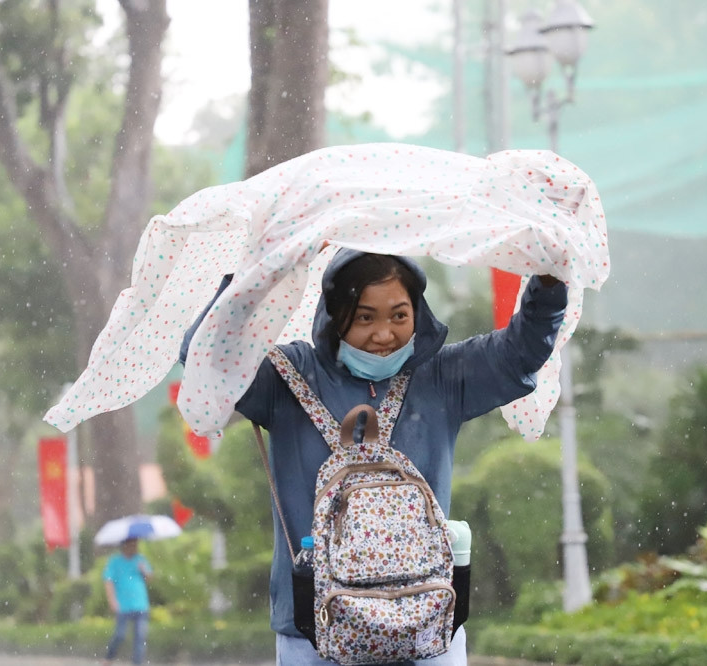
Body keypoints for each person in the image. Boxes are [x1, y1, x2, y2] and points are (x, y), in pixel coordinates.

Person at [220, 249, 567, 665]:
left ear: (417, 313)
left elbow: (522, 352)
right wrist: (239, 281)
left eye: (399, 316)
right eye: (365, 317)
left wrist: (548, 282)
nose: (384, 334)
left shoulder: (440, 376)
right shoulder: (287, 376)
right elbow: (211, 361)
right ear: (335, 313)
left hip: (427, 628)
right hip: (314, 636)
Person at [102, 537, 153, 665]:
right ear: (124, 546)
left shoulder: (140, 560)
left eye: (136, 545)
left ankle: (137, 663)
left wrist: (144, 570)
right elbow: (108, 581)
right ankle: (109, 658)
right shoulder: (115, 562)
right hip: (123, 605)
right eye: (131, 545)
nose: (134, 548)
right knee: (120, 635)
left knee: (140, 638)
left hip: (141, 605)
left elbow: (149, 579)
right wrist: (112, 600)